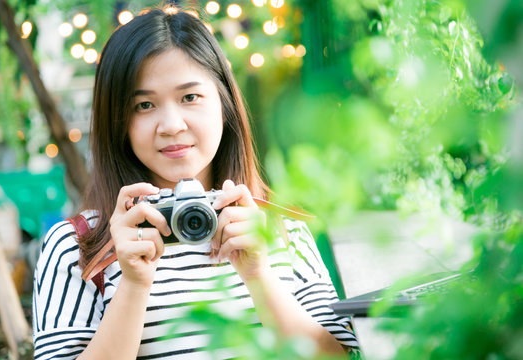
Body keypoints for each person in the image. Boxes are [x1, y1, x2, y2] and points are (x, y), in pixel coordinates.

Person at [32, 4, 359, 359]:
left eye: (189, 97)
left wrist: (258, 274)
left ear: (224, 103)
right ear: (118, 122)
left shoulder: (282, 227)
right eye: (143, 105)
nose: (171, 124)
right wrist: (134, 284)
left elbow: (340, 356)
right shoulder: (77, 245)